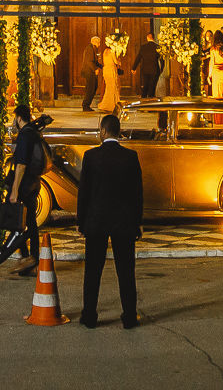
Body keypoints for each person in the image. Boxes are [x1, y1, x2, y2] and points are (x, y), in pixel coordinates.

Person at [77, 113, 144, 329]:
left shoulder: (91, 157)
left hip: (96, 221)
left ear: (104, 131)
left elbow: (84, 192)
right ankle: (130, 317)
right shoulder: (130, 157)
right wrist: (137, 222)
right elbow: (137, 194)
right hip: (123, 222)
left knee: (92, 272)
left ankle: (89, 316)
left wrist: (81, 222)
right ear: (118, 132)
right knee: (126, 272)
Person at [0, 103, 49, 274]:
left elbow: (21, 165)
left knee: (17, 222)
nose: (12, 122)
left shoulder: (25, 135)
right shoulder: (34, 132)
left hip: (24, 184)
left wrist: (15, 190)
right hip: (34, 182)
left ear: (18, 118)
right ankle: (31, 258)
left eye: (13, 118)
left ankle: (27, 258)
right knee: (30, 222)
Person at [133, 35, 164, 100]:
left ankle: (143, 101)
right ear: (154, 38)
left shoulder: (143, 47)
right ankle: (151, 101)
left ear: (147, 38)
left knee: (145, 86)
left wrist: (134, 68)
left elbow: (138, 58)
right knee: (152, 87)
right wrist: (162, 69)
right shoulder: (158, 47)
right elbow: (162, 60)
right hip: (155, 70)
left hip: (145, 70)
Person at [99, 37, 123, 114]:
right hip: (111, 70)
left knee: (108, 88)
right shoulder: (112, 51)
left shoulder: (105, 51)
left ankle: (110, 104)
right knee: (113, 87)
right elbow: (115, 61)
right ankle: (111, 105)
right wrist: (119, 61)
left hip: (106, 70)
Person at [80, 35, 103, 112]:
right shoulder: (89, 49)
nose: (99, 44)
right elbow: (89, 61)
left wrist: (102, 66)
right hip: (89, 72)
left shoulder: (93, 49)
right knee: (90, 89)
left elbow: (95, 61)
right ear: (94, 42)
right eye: (98, 42)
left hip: (91, 72)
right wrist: (95, 69)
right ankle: (85, 105)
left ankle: (87, 105)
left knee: (94, 88)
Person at [208, 29, 223, 99]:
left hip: (216, 74)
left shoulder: (213, 49)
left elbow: (211, 63)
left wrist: (209, 76)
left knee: (217, 97)